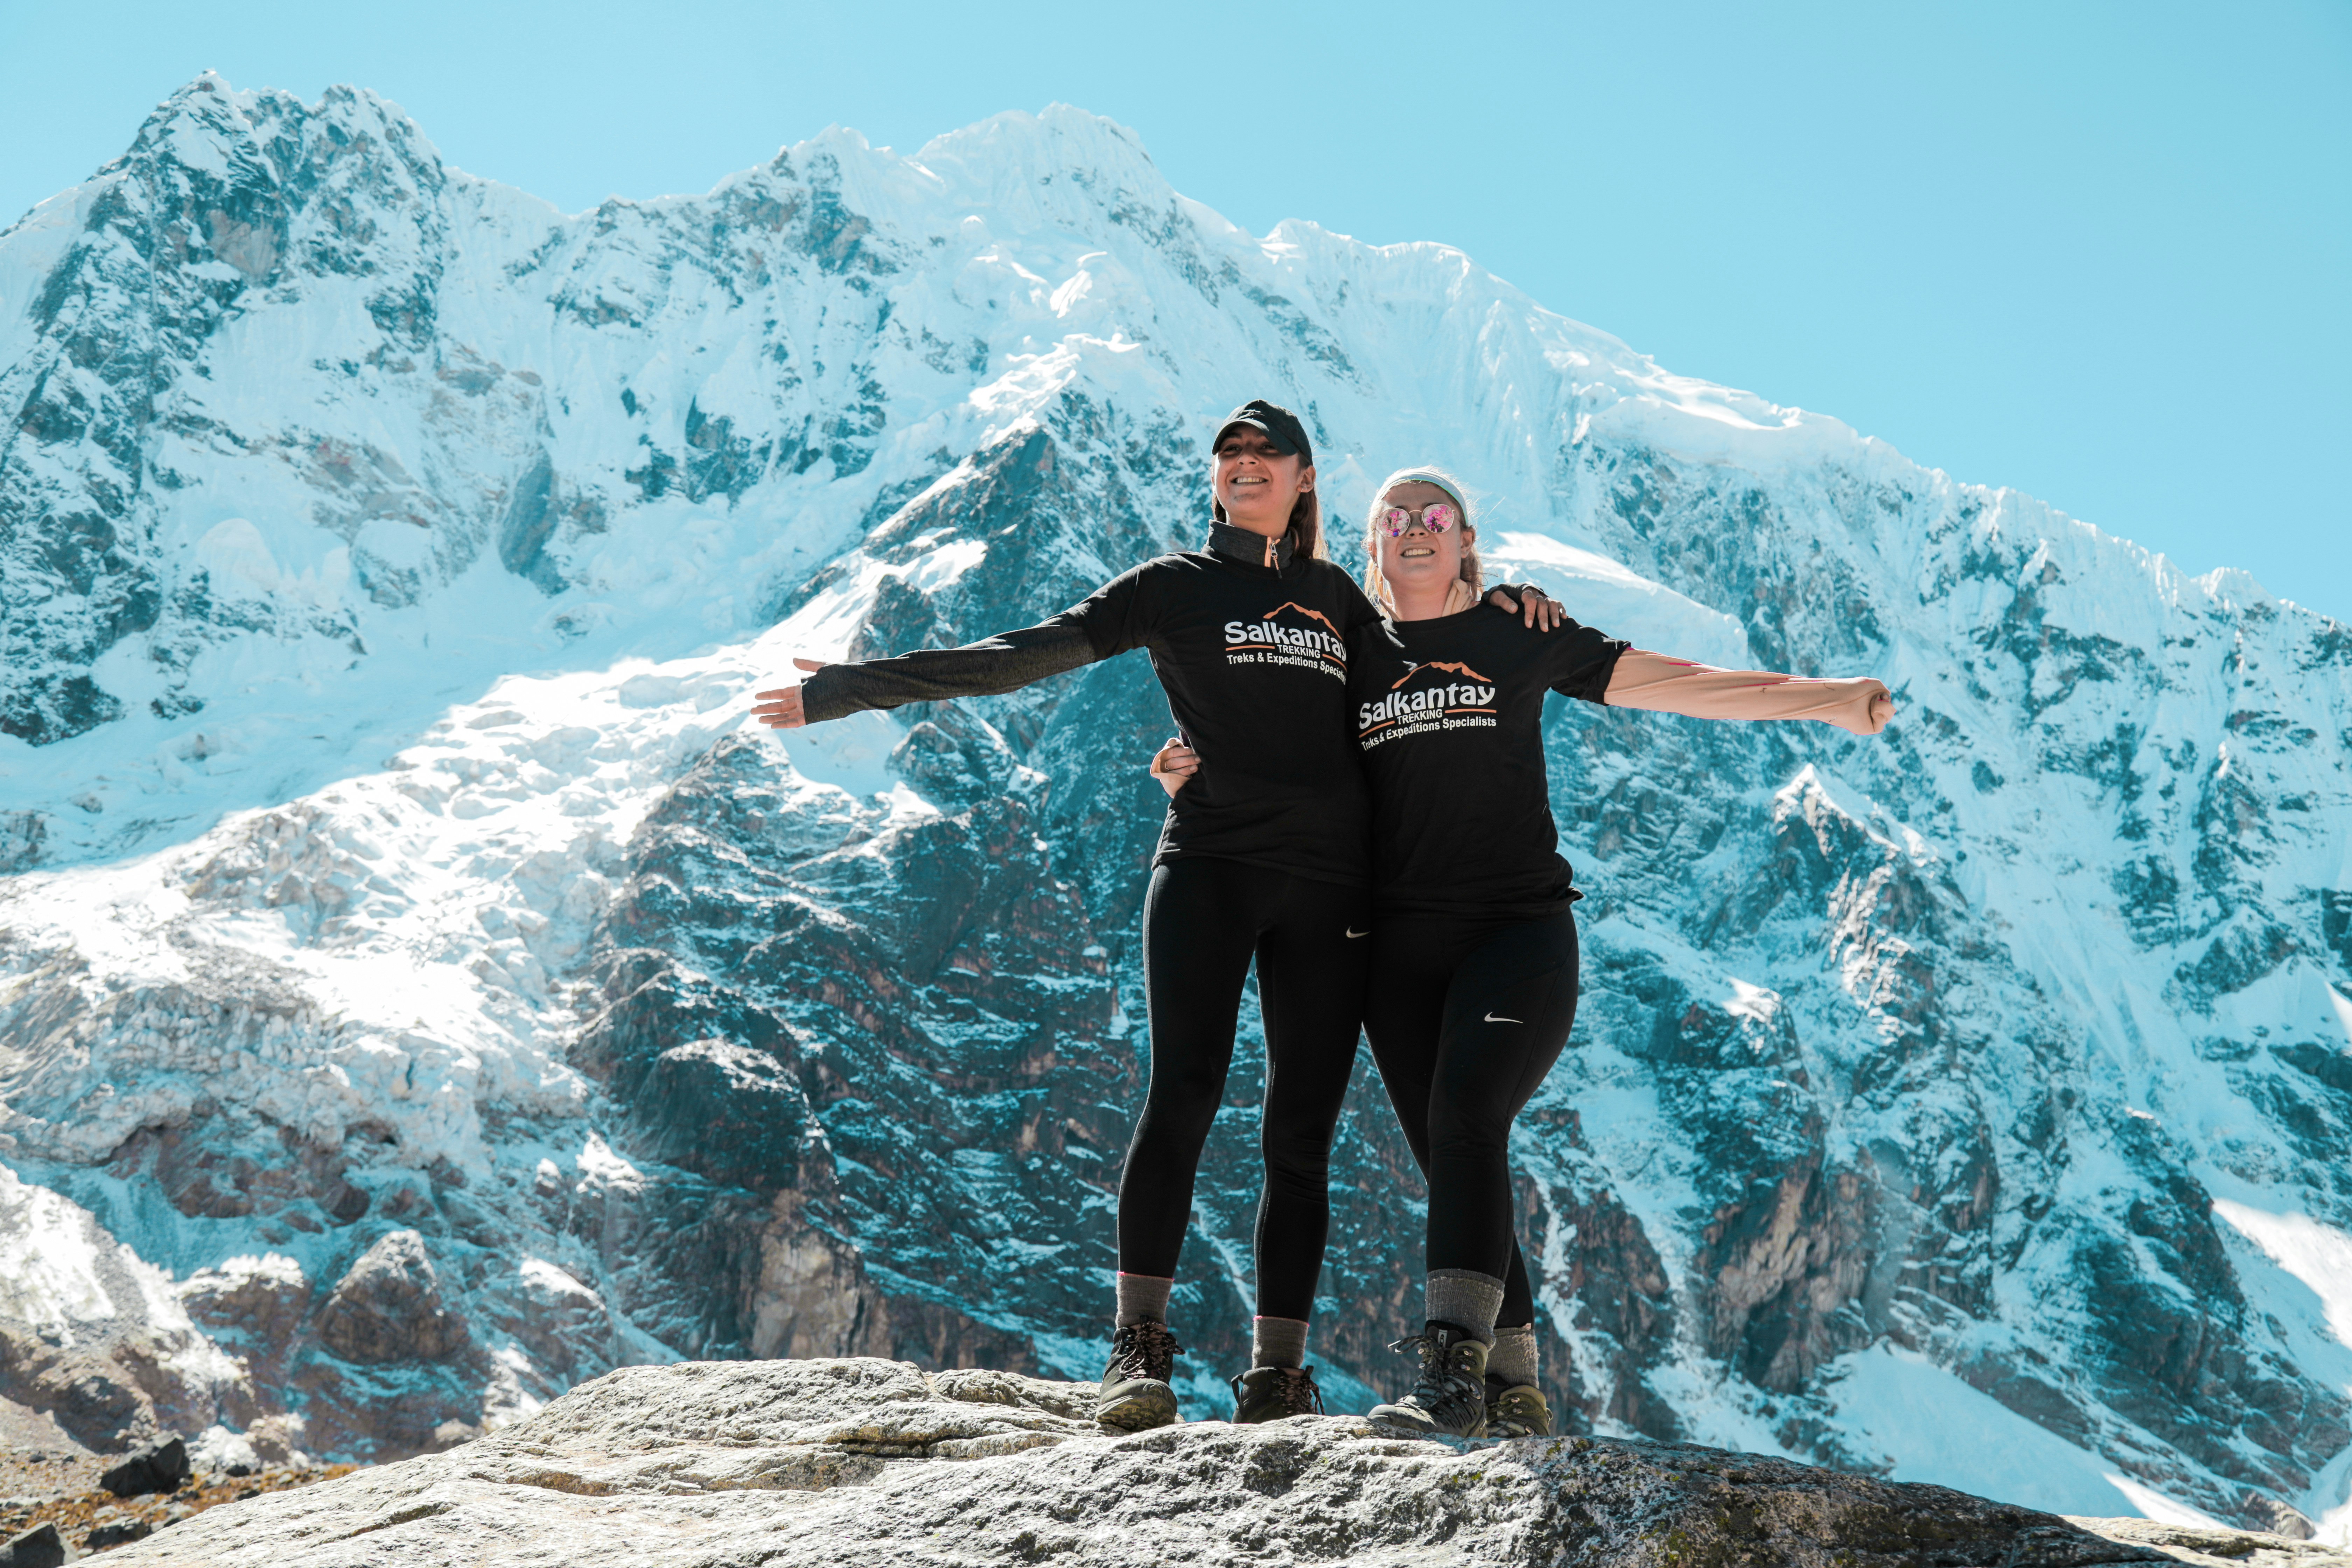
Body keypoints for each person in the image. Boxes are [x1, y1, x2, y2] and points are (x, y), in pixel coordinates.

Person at [750, 405, 1564, 1430]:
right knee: (1181, 1092)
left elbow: (1428, 663)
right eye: (1230, 457)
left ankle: (1281, 1372)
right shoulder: (1173, 587)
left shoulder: (1337, 604)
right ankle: (1138, 1353)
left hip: (1331, 891)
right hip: (1211, 867)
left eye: (1267, 454)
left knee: (1301, 1132)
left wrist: (1516, 604)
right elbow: (1027, 653)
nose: (1246, 466)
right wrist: (854, 690)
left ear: (1307, 478)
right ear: (1216, 482)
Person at [1149, 465, 1894, 1438]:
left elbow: (1674, 684)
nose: (1415, 527)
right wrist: (1190, 780)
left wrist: (1828, 700)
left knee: (1465, 1114)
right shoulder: (1347, 659)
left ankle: (1449, 1383)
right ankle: (1519, 1389)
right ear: (1370, 547)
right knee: (1459, 1155)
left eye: (1437, 515)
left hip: (1518, 939)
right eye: (1395, 517)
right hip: (1396, 960)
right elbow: (1271, 758)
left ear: (1467, 541)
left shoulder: (1517, 635)